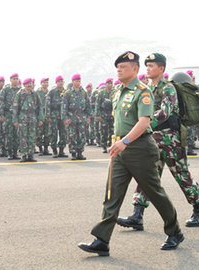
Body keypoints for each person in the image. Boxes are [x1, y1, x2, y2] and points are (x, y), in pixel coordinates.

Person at [78, 51, 183, 257]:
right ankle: (102, 240)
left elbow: (144, 121)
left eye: (123, 67)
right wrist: (118, 142)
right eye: (117, 67)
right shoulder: (118, 92)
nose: (119, 70)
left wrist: (125, 141)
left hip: (139, 149)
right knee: (112, 195)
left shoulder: (142, 92)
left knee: (154, 192)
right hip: (119, 149)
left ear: (135, 69)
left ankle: (174, 231)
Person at [117, 53, 199, 232]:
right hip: (153, 139)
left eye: (152, 66)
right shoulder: (148, 88)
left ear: (161, 69)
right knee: (147, 175)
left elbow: (165, 112)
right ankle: (137, 214)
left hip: (170, 139)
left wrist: (143, 122)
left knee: (181, 174)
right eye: (147, 65)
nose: (148, 69)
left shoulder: (168, 89)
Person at [62, 74, 92, 160]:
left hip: (81, 117)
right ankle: (73, 153)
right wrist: (65, 118)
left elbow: (88, 105)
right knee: (72, 136)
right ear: (72, 82)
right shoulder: (68, 93)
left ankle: (80, 153)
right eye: (76, 81)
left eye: (79, 81)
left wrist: (89, 116)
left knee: (82, 135)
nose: (78, 83)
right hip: (71, 117)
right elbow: (64, 106)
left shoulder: (83, 93)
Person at [13, 78, 44, 162]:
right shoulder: (20, 94)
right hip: (23, 118)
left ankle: (31, 155)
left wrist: (40, 118)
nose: (29, 85)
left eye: (30, 83)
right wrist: (15, 120)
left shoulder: (35, 94)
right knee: (23, 137)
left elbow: (40, 106)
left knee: (32, 137)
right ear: (24, 85)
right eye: (27, 84)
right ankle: (24, 155)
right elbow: (16, 107)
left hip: (33, 118)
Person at [0, 73, 21, 160]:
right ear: (10, 80)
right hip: (8, 115)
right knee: (8, 134)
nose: (15, 80)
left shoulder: (20, 90)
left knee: (17, 135)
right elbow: (1, 103)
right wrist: (1, 114)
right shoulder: (5, 90)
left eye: (17, 79)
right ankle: (9, 153)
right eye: (14, 79)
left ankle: (15, 152)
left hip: (18, 116)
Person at [46, 76, 68, 158]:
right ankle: (54, 151)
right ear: (56, 83)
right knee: (53, 133)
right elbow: (47, 104)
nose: (61, 83)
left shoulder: (66, 92)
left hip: (63, 116)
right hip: (54, 115)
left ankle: (61, 150)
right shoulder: (52, 92)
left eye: (62, 81)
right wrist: (48, 115)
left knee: (63, 133)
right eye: (59, 81)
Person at [95, 78, 115, 153]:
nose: (110, 85)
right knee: (104, 131)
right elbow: (97, 104)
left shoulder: (114, 92)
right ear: (106, 84)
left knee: (112, 131)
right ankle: (104, 146)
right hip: (103, 114)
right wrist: (98, 115)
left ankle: (111, 145)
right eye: (109, 83)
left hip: (112, 114)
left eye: (111, 83)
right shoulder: (101, 93)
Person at [35, 78, 52, 156]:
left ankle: (46, 149)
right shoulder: (37, 92)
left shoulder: (50, 93)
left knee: (47, 133)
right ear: (41, 83)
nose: (45, 84)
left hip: (47, 115)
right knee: (39, 133)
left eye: (47, 82)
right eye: (44, 82)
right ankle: (40, 149)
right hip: (39, 116)